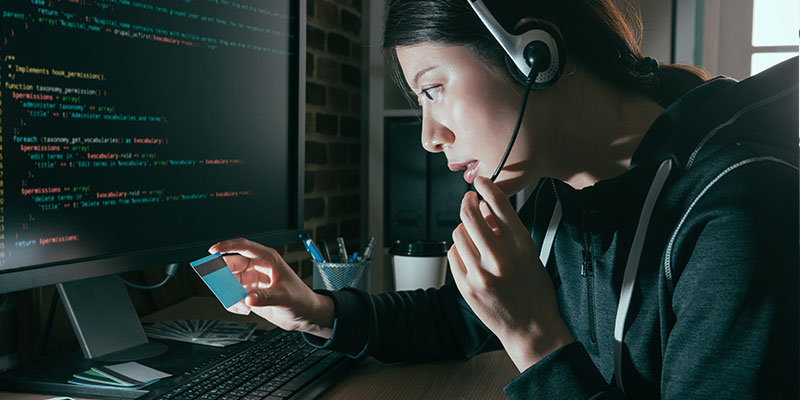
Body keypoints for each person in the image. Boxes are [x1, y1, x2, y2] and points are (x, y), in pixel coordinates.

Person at [210, 0, 799, 398]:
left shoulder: (741, 214)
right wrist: (314, 309)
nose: (428, 136)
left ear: (533, 54)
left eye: (434, 88)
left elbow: (519, 333)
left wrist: (533, 338)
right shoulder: (556, 198)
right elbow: (457, 320)